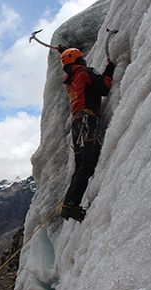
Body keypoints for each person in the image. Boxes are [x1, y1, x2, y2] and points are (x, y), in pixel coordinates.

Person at [59, 48, 115, 222]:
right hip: (87, 121)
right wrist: (109, 70)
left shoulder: (70, 80)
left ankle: (70, 204)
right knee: (88, 164)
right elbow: (104, 88)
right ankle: (69, 204)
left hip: (77, 123)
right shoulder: (86, 73)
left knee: (81, 164)